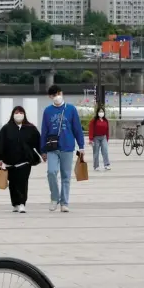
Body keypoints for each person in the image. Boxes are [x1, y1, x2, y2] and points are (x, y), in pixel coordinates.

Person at [40, 85, 85, 213]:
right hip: (52, 147)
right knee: (51, 172)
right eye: (53, 95)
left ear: (62, 93)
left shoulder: (71, 109)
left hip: (68, 146)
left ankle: (64, 202)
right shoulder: (47, 111)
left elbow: (77, 128)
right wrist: (42, 150)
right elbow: (44, 130)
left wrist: (81, 146)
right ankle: (54, 197)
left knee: (66, 176)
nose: (57, 97)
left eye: (58, 93)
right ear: (50, 97)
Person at [0, 106, 41, 213]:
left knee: (23, 182)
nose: (18, 114)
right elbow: (0, 143)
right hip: (10, 162)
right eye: (16, 112)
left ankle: (22, 203)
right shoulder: (6, 128)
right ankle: (15, 203)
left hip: (25, 161)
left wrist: (43, 153)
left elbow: (38, 142)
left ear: (24, 114)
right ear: (12, 114)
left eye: (20, 112)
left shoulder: (30, 128)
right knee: (13, 183)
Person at [89, 106, 111, 171]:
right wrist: (91, 139)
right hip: (96, 138)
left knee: (105, 151)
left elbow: (107, 130)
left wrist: (107, 139)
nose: (101, 112)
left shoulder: (105, 120)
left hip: (103, 137)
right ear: (97, 112)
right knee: (96, 152)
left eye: (102, 111)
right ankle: (96, 166)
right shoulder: (94, 121)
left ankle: (106, 164)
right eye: (100, 111)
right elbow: (91, 129)